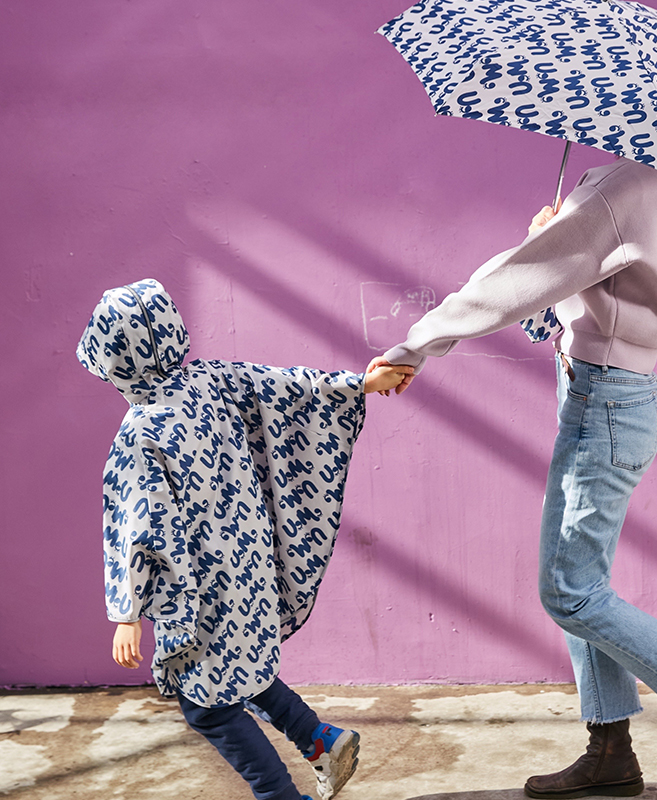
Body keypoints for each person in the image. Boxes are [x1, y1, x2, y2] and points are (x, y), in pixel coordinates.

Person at [370, 157, 657, 797]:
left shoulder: (613, 188)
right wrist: (561, 237)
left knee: (568, 591)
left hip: (604, 405)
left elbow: (515, 282)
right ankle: (610, 749)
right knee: (586, 585)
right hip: (613, 396)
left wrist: (414, 345)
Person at [77, 278, 413, 800]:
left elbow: (138, 527)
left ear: (111, 358)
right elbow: (285, 387)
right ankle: (320, 738)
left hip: (199, 590)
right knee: (244, 666)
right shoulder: (211, 381)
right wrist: (359, 385)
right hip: (249, 566)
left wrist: (126, 612)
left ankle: (279, 796)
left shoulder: (139, 433)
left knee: (207, 705)